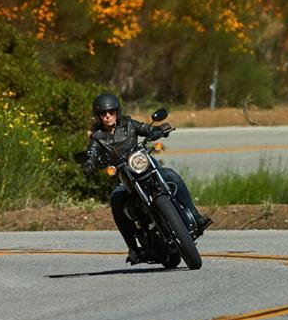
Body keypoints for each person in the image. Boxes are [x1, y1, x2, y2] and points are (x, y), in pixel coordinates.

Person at [82, 93, 212, 265]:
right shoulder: (97, 137)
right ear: (98, 116)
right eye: (103, 114)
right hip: (124, 178)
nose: (108, 116)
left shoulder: (129, 124)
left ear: (117, 112)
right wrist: (89, 162)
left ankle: (195, 216)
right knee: (116, 199)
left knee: (170, 174)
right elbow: (91, 153)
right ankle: (133, 248)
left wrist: (159, 130)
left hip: (143, 166)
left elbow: (146, 129)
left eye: (111, 112)